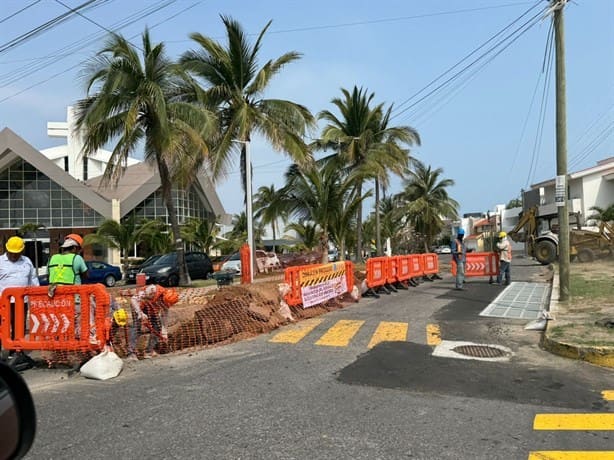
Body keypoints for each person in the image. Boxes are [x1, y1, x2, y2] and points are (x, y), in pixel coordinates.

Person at [0, 236, 39, 362]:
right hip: (3, 302)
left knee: (19, 326)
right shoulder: (0, 262)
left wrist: (37, 295)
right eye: (11, 253)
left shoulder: (26, 261)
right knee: (2, 327)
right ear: (7, 250)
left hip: (22, 302)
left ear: (21, 251)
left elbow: (33, 280)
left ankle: (17, 350)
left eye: (16, 253)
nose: (14, 256)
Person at [47, 234, 91, 341]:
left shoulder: (52, 258)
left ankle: (59, 350)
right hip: (74, 299)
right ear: (75, 248)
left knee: (59, 324)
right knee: (76, 324)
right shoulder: (77, 258)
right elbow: (86, 275)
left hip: (55, 299)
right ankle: (76, 347)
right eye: (79, 249)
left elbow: (49, 275)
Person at [129, 284, 178, 359]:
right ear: (163, 297)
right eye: (164, 302)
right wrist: (140, 313)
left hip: (152, 309)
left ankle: (149, 351)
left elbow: (164, 315)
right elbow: (133, 299)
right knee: (137, 327)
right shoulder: (151, 290)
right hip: (139, 306)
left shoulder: (167, 300)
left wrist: (164, 332)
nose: (165, 305)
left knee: (157, 327)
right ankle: (131, 353)